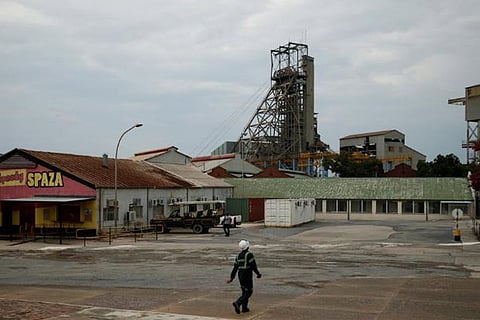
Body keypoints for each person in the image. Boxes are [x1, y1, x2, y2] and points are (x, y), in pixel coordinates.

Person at [226, 239, 262, 314]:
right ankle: (238, 303)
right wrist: (258, 274)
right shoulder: (249, 255)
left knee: (244, 291)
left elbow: (235, 268)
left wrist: (231, 278)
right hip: (247, 275)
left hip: (240, 276)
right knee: (249, 291)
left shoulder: (238, 256)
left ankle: (244, 308)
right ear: (247, 247)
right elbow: (253, 266)